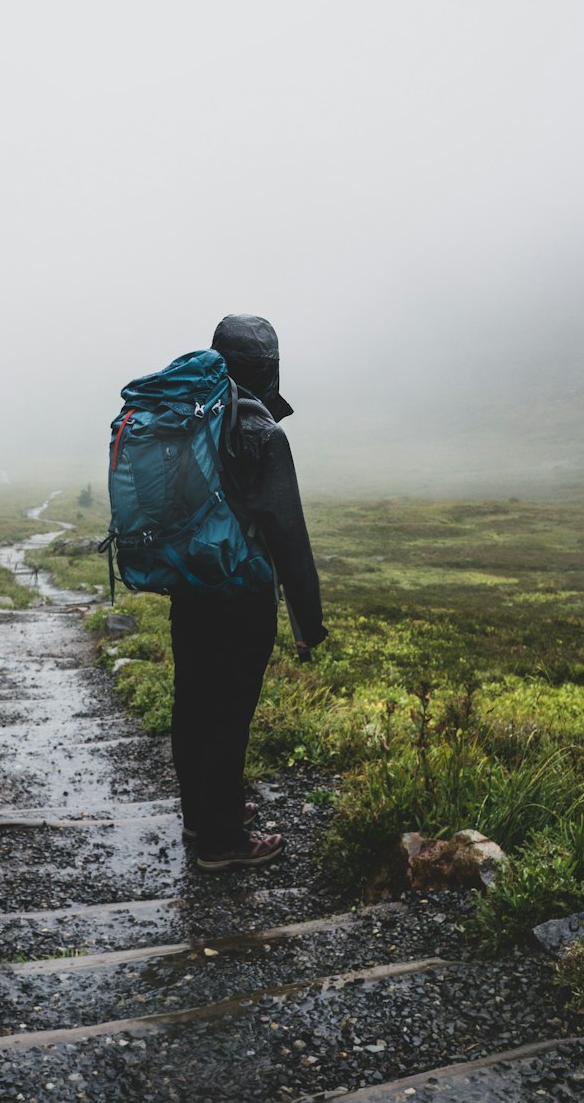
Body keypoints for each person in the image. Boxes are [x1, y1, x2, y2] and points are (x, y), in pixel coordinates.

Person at [170, 314, 327, 871]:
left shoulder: (184, 418)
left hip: (189, 588)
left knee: (192, 698)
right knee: (229, 711)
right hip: (242, 598)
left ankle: (200, 815)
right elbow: (289, 535)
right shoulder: (263, 433)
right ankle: (223, 841)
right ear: (269, 368)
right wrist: (309, 624)